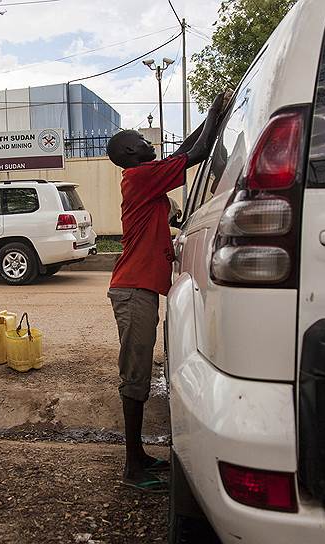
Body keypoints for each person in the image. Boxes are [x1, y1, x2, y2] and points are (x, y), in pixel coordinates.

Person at [106, 92, 229, 491]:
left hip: (139, 288)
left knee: (139, 373)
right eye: (139, 138)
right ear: (129, 152)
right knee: (136, 375)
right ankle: (132, 468)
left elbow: (186, 149)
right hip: (133, 289)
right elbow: (196, 153)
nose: (147, 139)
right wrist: (215, 112)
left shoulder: (147, 176)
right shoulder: (140, 177)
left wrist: (212, 119)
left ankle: (138, 456)